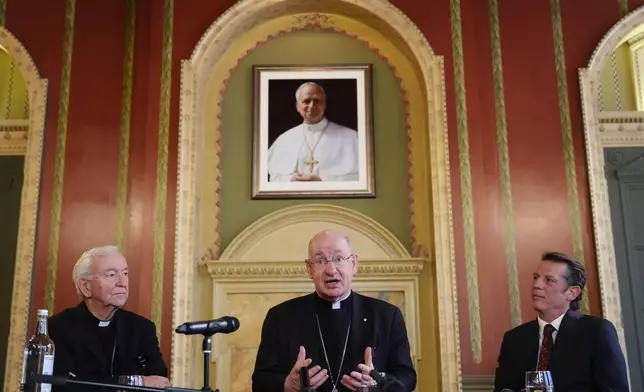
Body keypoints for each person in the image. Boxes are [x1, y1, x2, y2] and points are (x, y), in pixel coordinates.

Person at [252, 230, 416, 392]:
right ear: (309, 269)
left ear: (354, 264)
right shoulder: (280, 317)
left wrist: (377, 384)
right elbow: (260, 382)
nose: (331, 270)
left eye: (339, 259)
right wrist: (287, 384)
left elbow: (407, 377)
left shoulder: (387, 316)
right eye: (320, 261)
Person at [494, 252, 629, 392]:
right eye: (536, 277)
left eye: (549, 280)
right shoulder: (514, 339)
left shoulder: (596, 332)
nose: (537, 285)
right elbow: (503, 388)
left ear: (572, 293)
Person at [48, 245, 170, 390]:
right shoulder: (59, 327)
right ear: (85, 287)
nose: (122, 282)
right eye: (111, 275)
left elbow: (159, 382)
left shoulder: (142, 328)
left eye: (125, 273)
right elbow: (68, 386)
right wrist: (135, 381)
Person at [267, 82, 360, 182]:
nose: (311, 105)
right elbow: (272, 177)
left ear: (324, 105)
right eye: (306, 101)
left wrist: (323, 180)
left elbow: (360, 178)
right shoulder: (284, 139)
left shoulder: (351, 138)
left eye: (317, 101)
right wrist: (290, 179)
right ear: (298, 106)